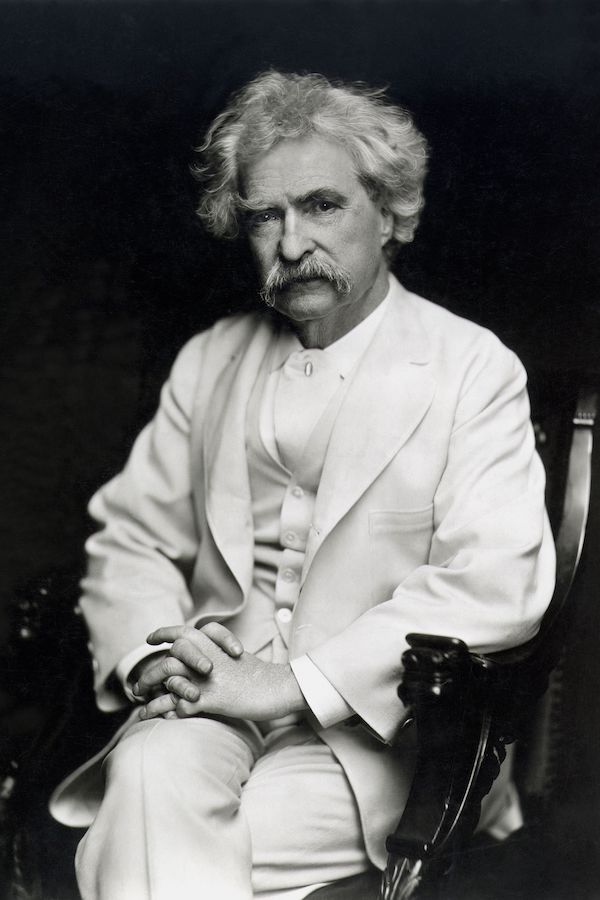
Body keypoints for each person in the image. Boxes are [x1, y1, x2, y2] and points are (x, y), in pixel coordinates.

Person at [50, 71, 555, 900]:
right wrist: (150, 660)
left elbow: (495, 583)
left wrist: (290, 683)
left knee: (144, 841)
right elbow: (131, 537)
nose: (290, 246)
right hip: (210, 699)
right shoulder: (210, 358)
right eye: (264, 217)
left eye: (322, 206)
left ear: (389, 213)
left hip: (378, 736)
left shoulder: (473, 366)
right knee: (146, 773)